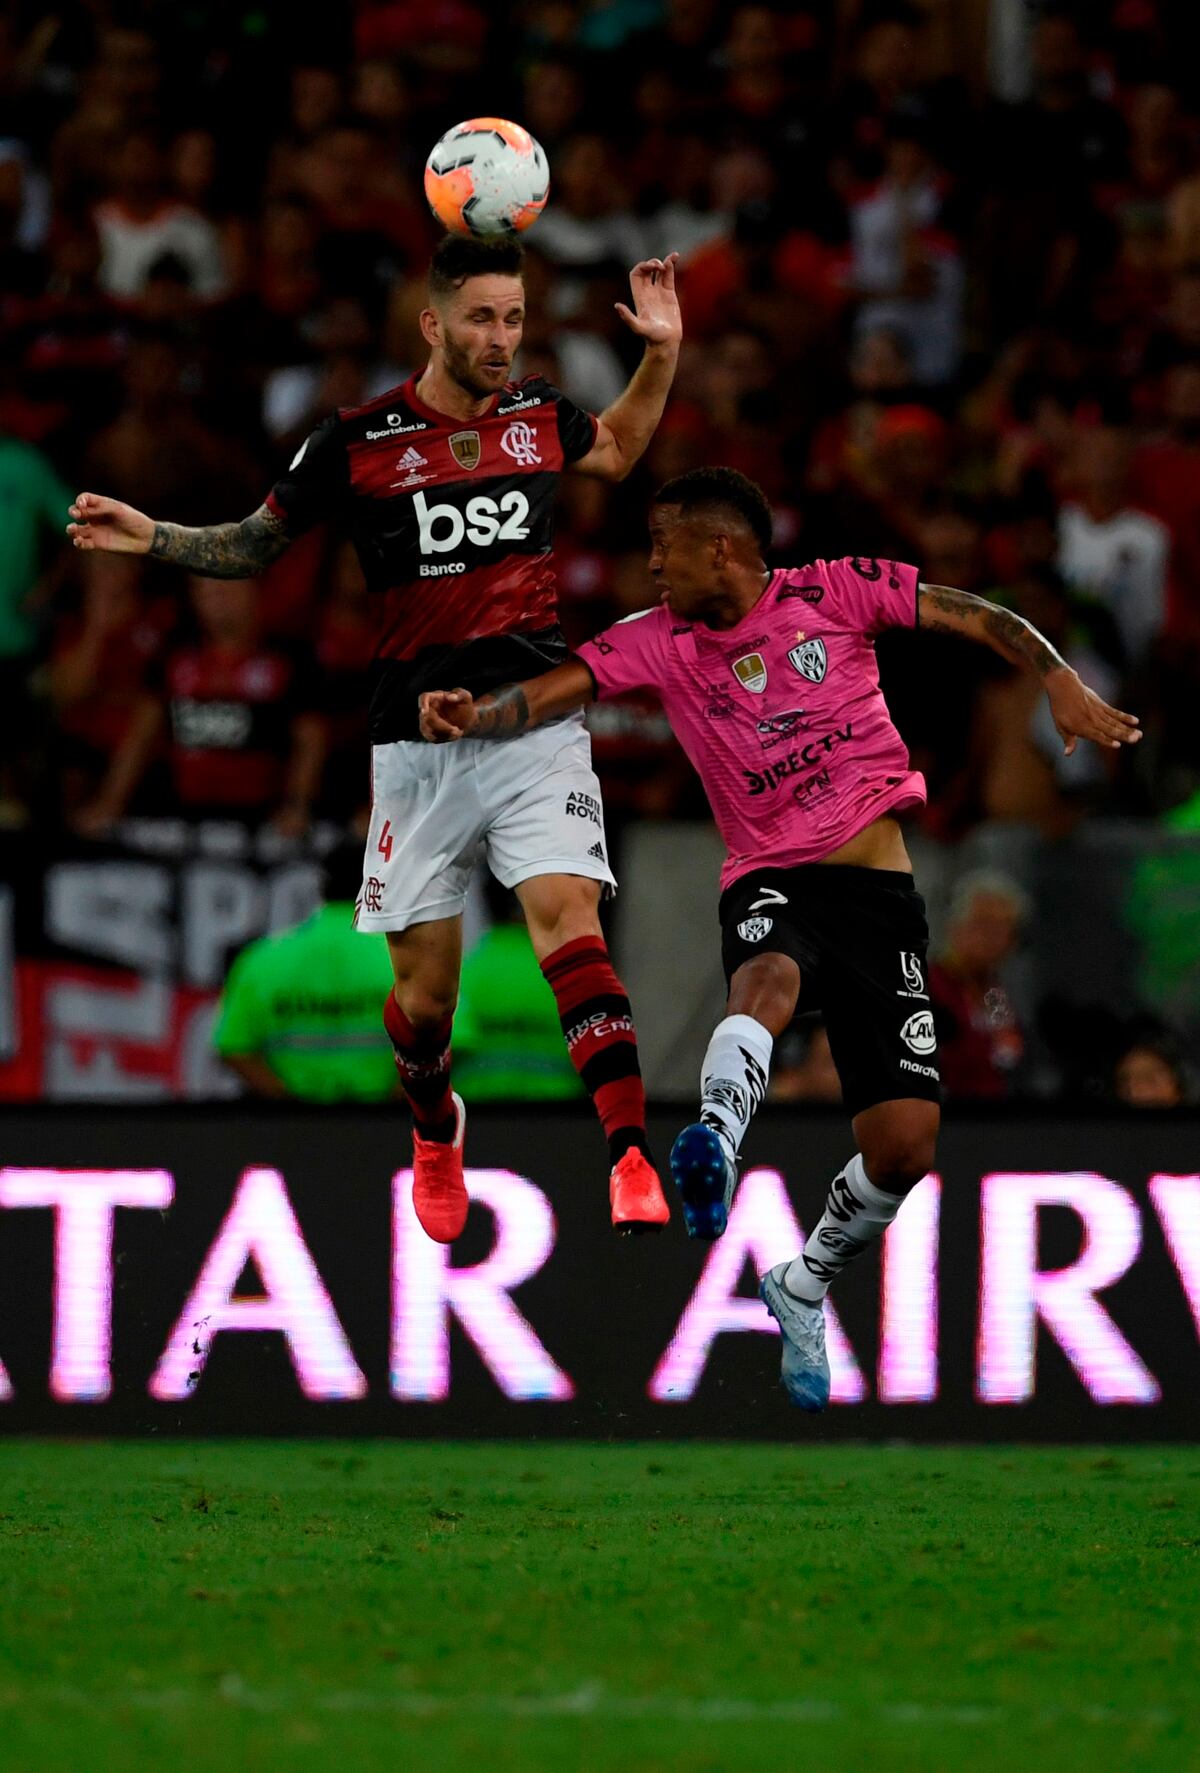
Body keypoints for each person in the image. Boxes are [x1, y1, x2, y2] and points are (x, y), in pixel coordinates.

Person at [418, 465, 1142, 1413]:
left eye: (663, 544)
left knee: (905, 1146)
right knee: (763, 977)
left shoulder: (832, 592)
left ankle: (802, 1283)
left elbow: (969, 610)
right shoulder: (658, 642)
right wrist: (477, 711)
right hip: (767, 871)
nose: (651, 567)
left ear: (718, 545)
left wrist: (1058, 677)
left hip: (878, 892)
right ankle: (715, 1139)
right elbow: (557, 689)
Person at [64, 232, 683, 1246]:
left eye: (515, 319)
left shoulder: (537, 416)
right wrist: (159, 538)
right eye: (482, 318)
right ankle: (435, 1125)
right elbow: (257, 542)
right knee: (425, 999)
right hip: (415, 744)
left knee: (568, 921)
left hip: (533, 718)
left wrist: (660, 351)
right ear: (434, 324)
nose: (501, 338)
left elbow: (614, 450)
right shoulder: (358, 439)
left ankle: (626, 1152)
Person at [213, 844, 399, 1103]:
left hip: (294, 1133)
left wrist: (289, 1106)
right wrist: (390, 1106)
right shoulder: (406, 959)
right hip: (383, 1129)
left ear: (321, 886)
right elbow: (449, 1042)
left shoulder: (263, 959)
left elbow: (232, 1047)